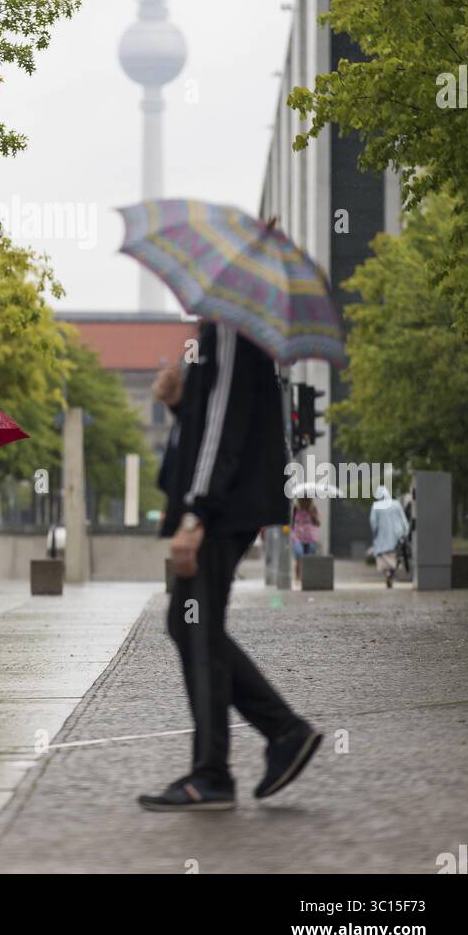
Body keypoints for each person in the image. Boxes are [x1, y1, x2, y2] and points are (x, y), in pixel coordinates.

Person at [139, 322, 322, 812]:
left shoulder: (231, 326)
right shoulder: (224, 330)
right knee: (190, 623)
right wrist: (178, 400)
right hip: (228, 502)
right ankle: (283, 731)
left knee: (196, 627)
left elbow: (223, 427)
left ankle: (213, 773)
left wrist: (197, 511)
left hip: (222, 508)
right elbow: (211, 417)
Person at [369, 483, 409, 588]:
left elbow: (373, 523)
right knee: (395, 556)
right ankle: (391, 572)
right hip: (397, 536)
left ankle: (387, 573)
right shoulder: (396, 504)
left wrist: (375, 534)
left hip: (382, 538)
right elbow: (403, 519)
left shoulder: (376, 506)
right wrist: (406, 531)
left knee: (383, 558)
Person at [291, 494, 321, 582]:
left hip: (311, 537)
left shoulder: (313, 509)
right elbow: (291, 522)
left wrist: (313, 516)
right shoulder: (295, 509)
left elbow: (318, 523)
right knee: (299, 555)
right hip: (298, 537)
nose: (304, 501)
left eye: (307, 499)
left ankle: (307, 578)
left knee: (309, 559)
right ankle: (297, 578)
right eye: (302, 499)